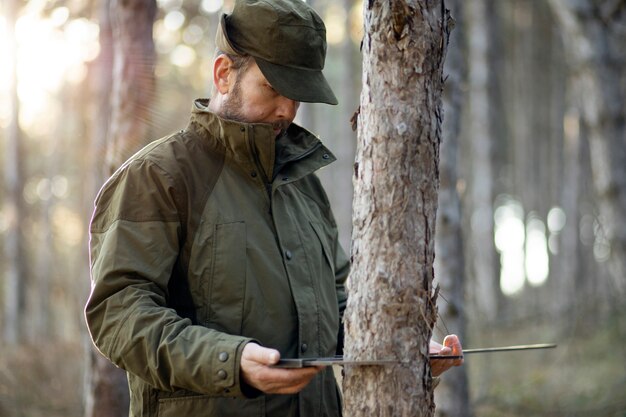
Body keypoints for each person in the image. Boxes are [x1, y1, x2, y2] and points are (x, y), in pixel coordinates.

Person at [85, 0, 463, 416]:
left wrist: (405, 352)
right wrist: (230, 362)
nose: (287, 110)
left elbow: (337, 308)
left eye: (297, 96)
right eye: (273, 89)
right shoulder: (157, 177)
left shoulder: (303, 184)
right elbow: (119, 313)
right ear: (224, 74)